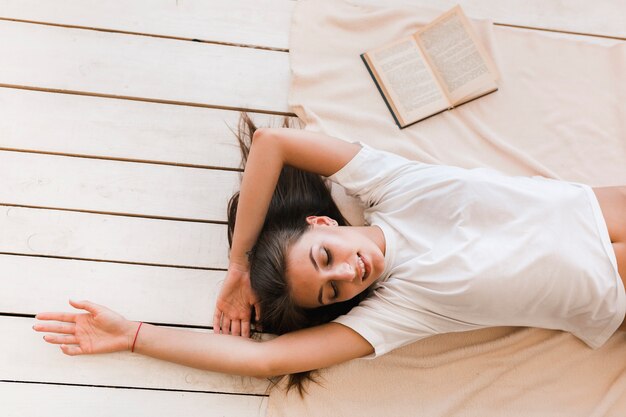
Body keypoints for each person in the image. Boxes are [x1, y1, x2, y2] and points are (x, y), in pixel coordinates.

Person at [33, 112, 626, 397]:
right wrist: (136, 334)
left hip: (594, 210)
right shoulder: (396, 311)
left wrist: (239, 265)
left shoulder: (394, 187)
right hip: (607, 282)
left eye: (326, 259)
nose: (348, 274)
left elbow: (274, 142)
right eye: (334, 291)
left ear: (323, 221)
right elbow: (269, 361)